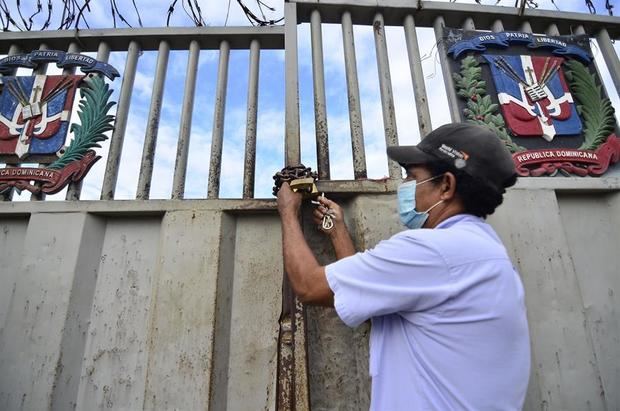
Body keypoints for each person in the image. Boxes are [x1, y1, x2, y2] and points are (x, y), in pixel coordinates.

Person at [276, 123, 531, 410]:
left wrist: (288, 211)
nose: (406, 185)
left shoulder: (433, 252)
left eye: (412, 176)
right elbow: (371, 301)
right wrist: (338, 233)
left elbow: (309, 286)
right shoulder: (484, 252)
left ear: (446, 185)